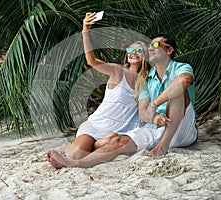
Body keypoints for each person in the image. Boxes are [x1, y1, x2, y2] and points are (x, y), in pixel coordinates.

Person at [47, 34, 198, 169]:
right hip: (153, 129)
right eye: (150, 46)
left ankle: (163, 147)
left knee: (177, 91)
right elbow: (143, 111)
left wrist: (155, 103)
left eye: (156, 45)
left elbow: (184, 81)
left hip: (180, 130)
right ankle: (76, 164)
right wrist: (154, 117)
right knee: (116, 143)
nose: (151, 48)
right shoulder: (146, 81)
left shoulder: (180, 68)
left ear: (169, 50)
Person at [46, 12, 151, 164]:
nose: (133, 53)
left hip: (119, 131)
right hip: (97, 124)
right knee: (77, 155)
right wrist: (85, 32)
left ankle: (81, 147)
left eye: (139, 50)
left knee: (107, 144)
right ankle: (66, 149)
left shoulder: (148, 81)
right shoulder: (118, 71)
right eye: (130, 50)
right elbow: (91, 61)